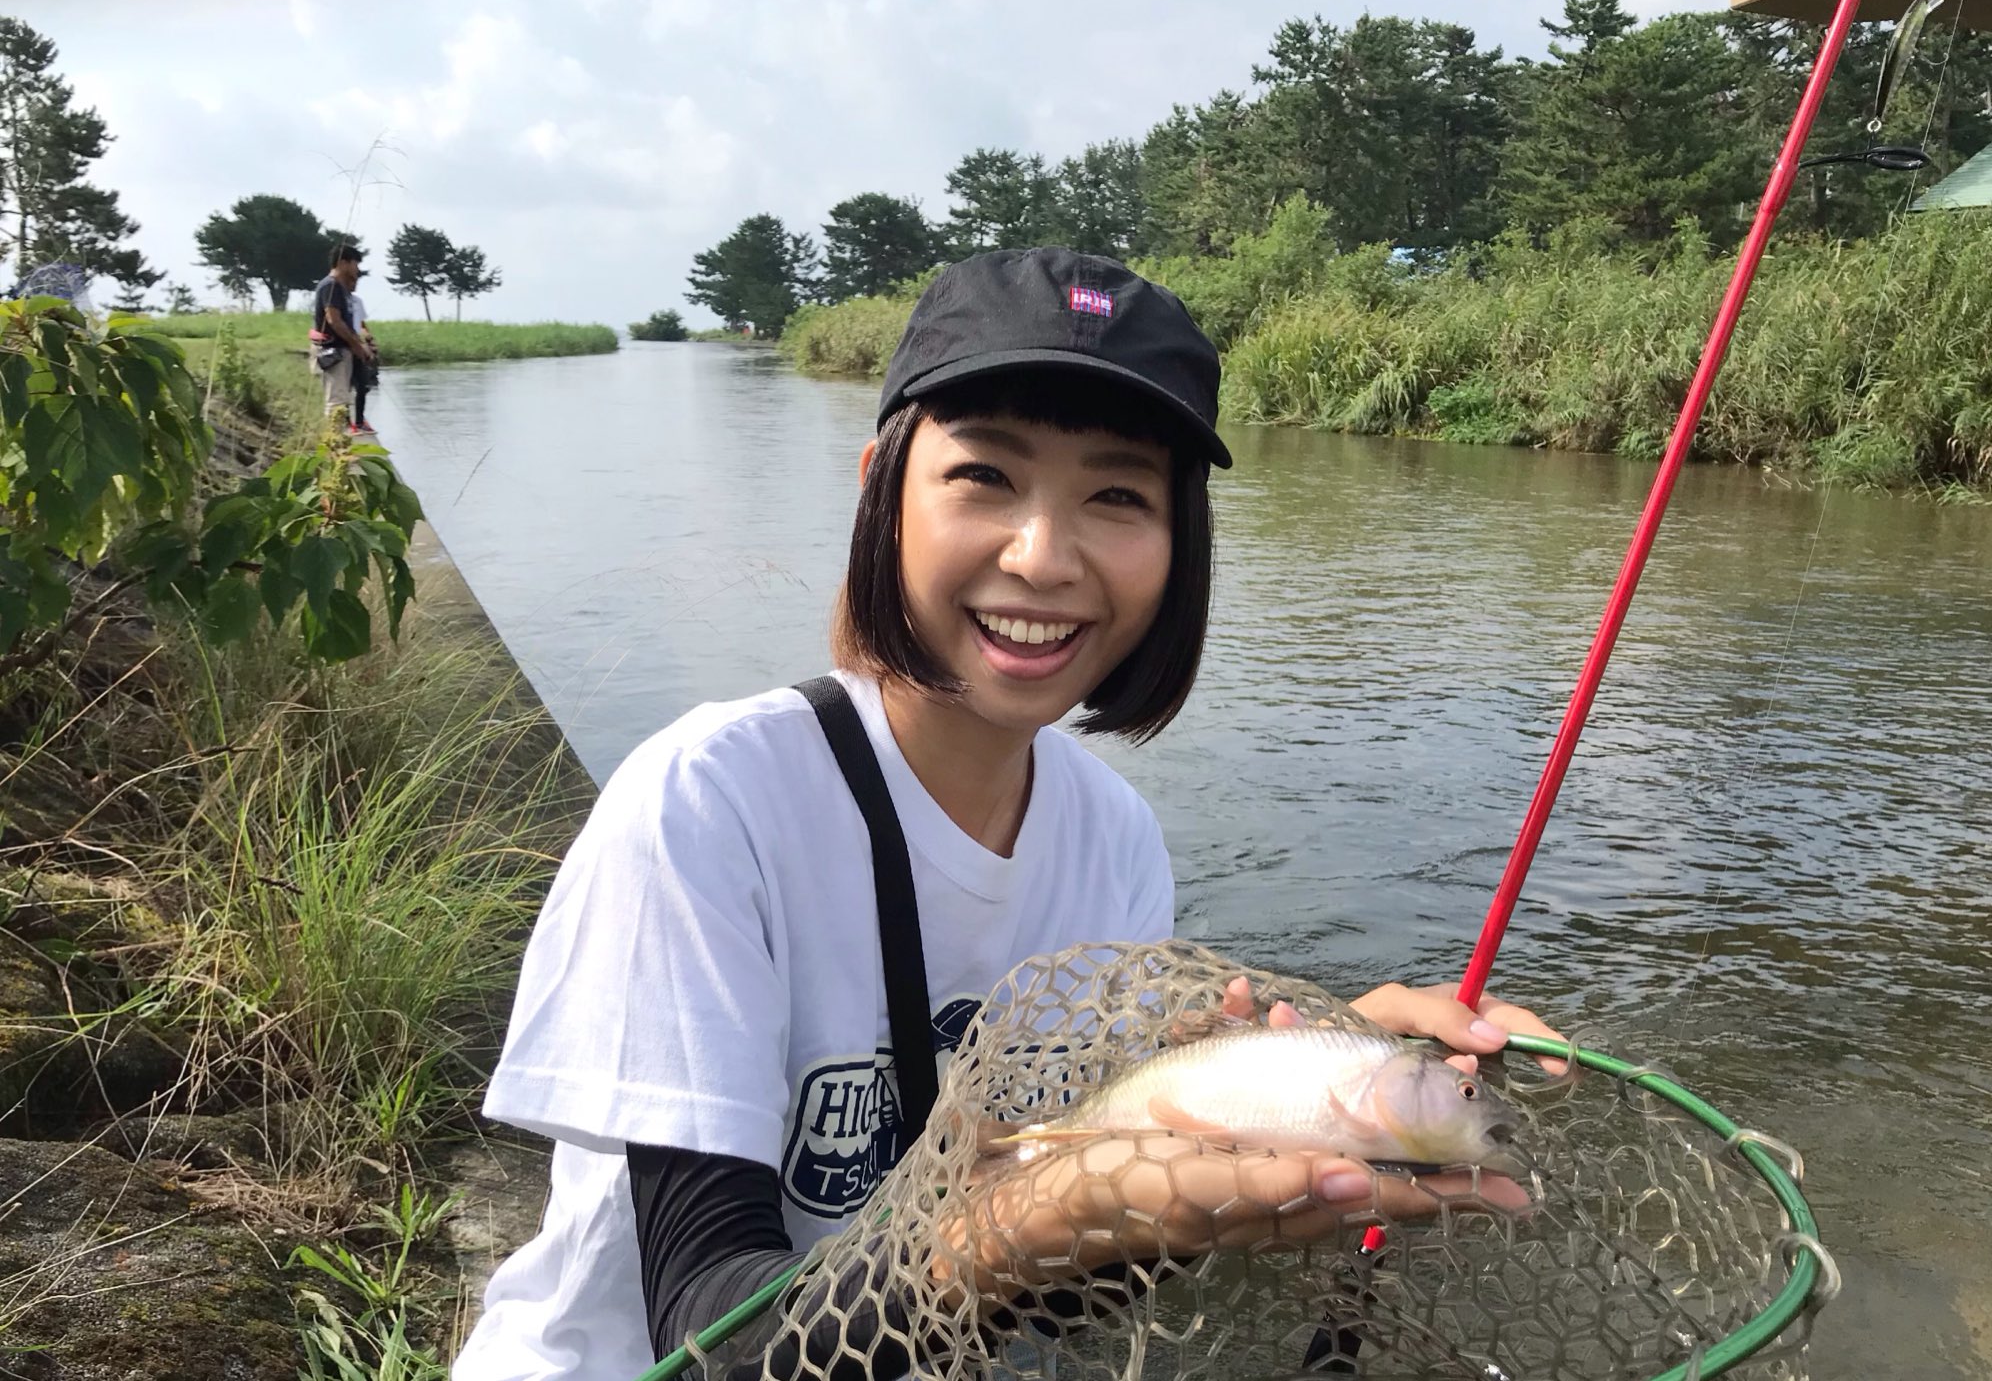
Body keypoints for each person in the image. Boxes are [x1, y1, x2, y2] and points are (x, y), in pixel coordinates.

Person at [451, 248, 1559, 1381]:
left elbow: (1070, 1295)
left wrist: (1321, 1079)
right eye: (983, 476)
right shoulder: (710, 802)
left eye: (1117, 496)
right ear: (883, 485)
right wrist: (998, 1237)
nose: (1041, 557)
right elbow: (702, 1331)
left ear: (1181, 543)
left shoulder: (1112, 839)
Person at [308, 244, 372, 424]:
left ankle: (340, 443)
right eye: (355, 264)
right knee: (336, 401)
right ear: (343, 263)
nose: (357, 270)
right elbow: (334, 320)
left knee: (342, 399)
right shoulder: (332, 286)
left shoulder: (340, 288)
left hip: (340, 351)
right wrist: (356, 345)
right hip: (333, 351)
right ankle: (335, 446)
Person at [346, 283, 379, 434]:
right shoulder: (337, 300)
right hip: (344, 348)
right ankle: (346, 422)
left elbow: (362, 324)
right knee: (344, 386)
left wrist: (369, 338)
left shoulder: (357, 301)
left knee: (363, 385)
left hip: (359, 348)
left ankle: (359, 421)